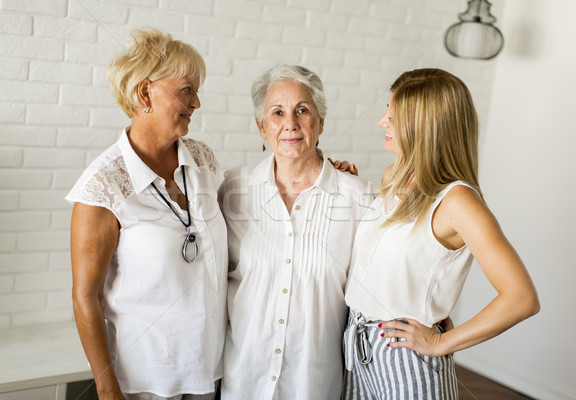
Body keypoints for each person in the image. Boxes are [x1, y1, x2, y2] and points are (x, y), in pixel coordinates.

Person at [342, 68, 540, 399]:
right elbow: (392, 258)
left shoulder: (458, 200)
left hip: (406, 355)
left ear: (425, 127)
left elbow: (522, 298)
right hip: (358, 344)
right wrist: (346, 183)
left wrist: (441, 341)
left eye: (393, 116)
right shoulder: (394, 175)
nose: (381, 122)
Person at [67, 29, 227, 400]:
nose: (197, 102)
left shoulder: (203, 159)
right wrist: (107, 389)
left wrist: (316, 170)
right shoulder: (102, 185)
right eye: (186, 89)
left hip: (211, 372)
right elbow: (85, 297)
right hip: (143, 383)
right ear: (145, 93)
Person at [217, 65, 374, 399]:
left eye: (302, 110)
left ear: (320, 122)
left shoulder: (358, 197)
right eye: (277, 112)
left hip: (314, 383)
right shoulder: (233, 188)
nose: (290, 123)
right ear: (261, 127)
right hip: (243, 379)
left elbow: (379, 283)